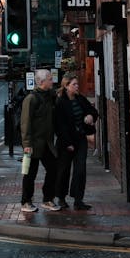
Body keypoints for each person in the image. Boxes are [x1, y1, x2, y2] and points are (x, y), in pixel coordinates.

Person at [19, 68, 61, 212]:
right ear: (42, 82)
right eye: (50, 79)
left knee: (53, 169)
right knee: (30, 174)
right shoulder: (31, 99)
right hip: (33, 144)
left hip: (47, 144)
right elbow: (25, 123)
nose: (52, 81)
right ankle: (26, 202)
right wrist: (26, 144)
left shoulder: (50, 96)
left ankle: (48, 199)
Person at [56, 75, 99, 210]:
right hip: (66, 141)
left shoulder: (80, 99)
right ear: (66, 86)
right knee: (64, 170)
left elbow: (93, 111)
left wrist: (90, 116)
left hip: (80, 139)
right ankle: (61, 198)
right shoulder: (60, 102)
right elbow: (59, 125)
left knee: (80, 169)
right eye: (74, 84)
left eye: (77, 84)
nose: (77, 86)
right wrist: (67, 142)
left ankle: (78, 199)